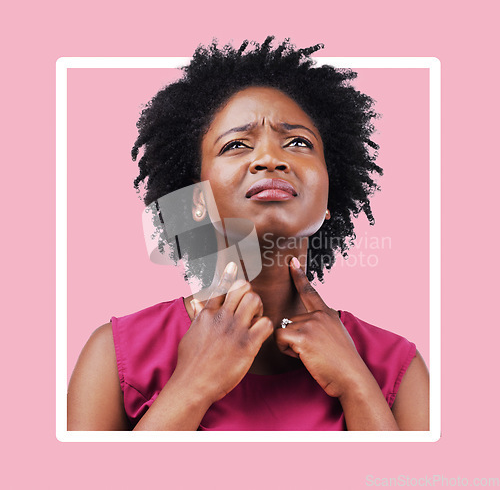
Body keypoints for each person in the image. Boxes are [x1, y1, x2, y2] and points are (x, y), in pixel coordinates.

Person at [67, 37, 429, 431]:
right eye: (236, 144)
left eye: (298, 143)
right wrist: (192, 386)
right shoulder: (117, 355)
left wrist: (358, 387)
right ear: (195, 202)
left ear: (329, 198)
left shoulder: (395, 366)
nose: (271, 158)